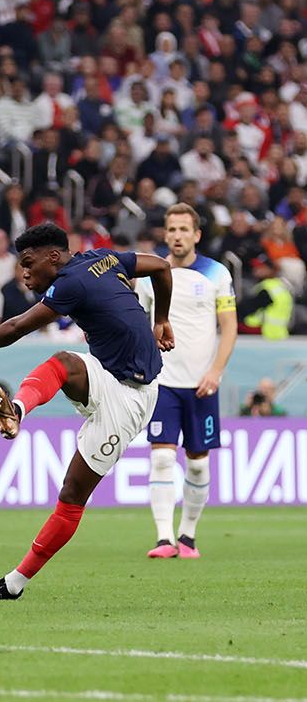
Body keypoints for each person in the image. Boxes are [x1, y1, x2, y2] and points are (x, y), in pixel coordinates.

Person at [0, 222, 174, 600]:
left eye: (28, 263)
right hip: (108, 374)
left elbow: (20, 325)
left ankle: (14, 584)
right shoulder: (103, 259)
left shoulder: (71, 282)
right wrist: (161, 318)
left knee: (72, 494)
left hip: (131, 401)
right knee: (63, 362)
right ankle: (17, 412)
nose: (24, 273)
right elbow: (160, 266)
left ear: (53, 257)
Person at [136, 205, 236, 559]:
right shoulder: (150, 273)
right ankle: (164, 538)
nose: (177, 235)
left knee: (197, 463)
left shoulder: (216, 274)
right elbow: (139, 322)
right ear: (165, 234)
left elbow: (229, 327)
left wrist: (216, 371)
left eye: (184, 229)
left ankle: (188, 536)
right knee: (162, 460)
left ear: (196, 235)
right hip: (162, 382)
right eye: (172, 229)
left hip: (201, 383)